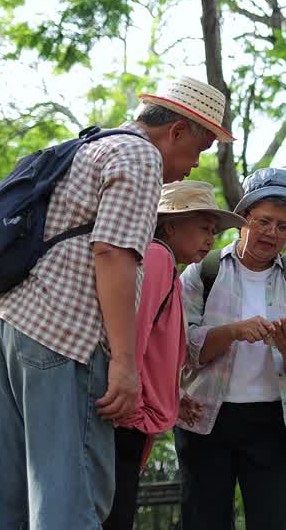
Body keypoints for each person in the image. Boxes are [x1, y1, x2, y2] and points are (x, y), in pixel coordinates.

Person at [0, 77, 233, 530]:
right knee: (69, 499)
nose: (193, 164)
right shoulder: (141, 154)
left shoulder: (91, 145)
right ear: (177, 131)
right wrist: (125, 364)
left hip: (2, 325)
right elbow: (113, 254)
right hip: (61, 337)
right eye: (199, 148)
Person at [174, 168, 286, 530]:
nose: (271, 233)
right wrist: (232, 332)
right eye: (263, 221)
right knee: (204, 521)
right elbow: (180, 348)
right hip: (204, 418)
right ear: (243, 220)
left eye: (283, 226)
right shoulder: (201, 272)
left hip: (273, 421)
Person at [104, 180, 245, 530]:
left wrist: (174, 396)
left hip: (133, 412)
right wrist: (130, 398)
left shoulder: (167, 266)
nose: (210, 239)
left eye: (213, 231)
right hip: (125, 416)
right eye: (202, 228)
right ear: (171, 225)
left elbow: (156, 347)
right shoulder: (157, 257)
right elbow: (134, 333)